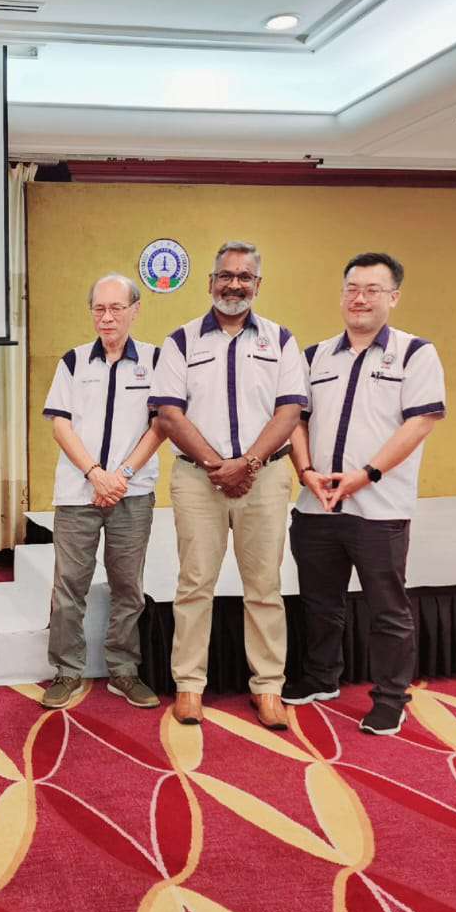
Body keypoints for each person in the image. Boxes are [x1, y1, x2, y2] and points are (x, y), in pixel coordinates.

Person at [286, 253, 445, 736]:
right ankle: (321, 677)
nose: (360, 298)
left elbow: (420, 422)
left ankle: (391, 699)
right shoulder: (314, 356)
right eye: (352, 289)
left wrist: (367, 474)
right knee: (320, 602)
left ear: (393, 297)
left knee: (388, 611)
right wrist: (306, 472)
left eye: (373, 290)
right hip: (316, 506)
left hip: (379, 509)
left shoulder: (415, 353)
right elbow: (296, 420)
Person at [152, 242, 307, 730]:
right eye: (225, 275)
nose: (233, 284)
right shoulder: (181, 341)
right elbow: (169, 413)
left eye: (244, 277)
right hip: (199, 480)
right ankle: (189, 686)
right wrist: (220, 466)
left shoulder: (281, 340)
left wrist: (249, 463)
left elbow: (290, 411)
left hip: (265, 479)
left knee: (264, 586)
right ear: (210, 282)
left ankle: (268, 688)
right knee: (194, 583)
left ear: (257, 284)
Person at [40, 273, 165, 711]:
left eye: (116, 308)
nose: (107, 317)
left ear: (135, 310)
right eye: (99, 308)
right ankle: (66, 670)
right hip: (78, 493)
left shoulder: (155, 361)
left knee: (128, 586)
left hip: (132, 492)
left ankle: (124, 670)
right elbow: (61, 425)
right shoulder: (74, 361)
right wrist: (96, 474)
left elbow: (160, 426)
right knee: (68, 587)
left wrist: (121, 476)